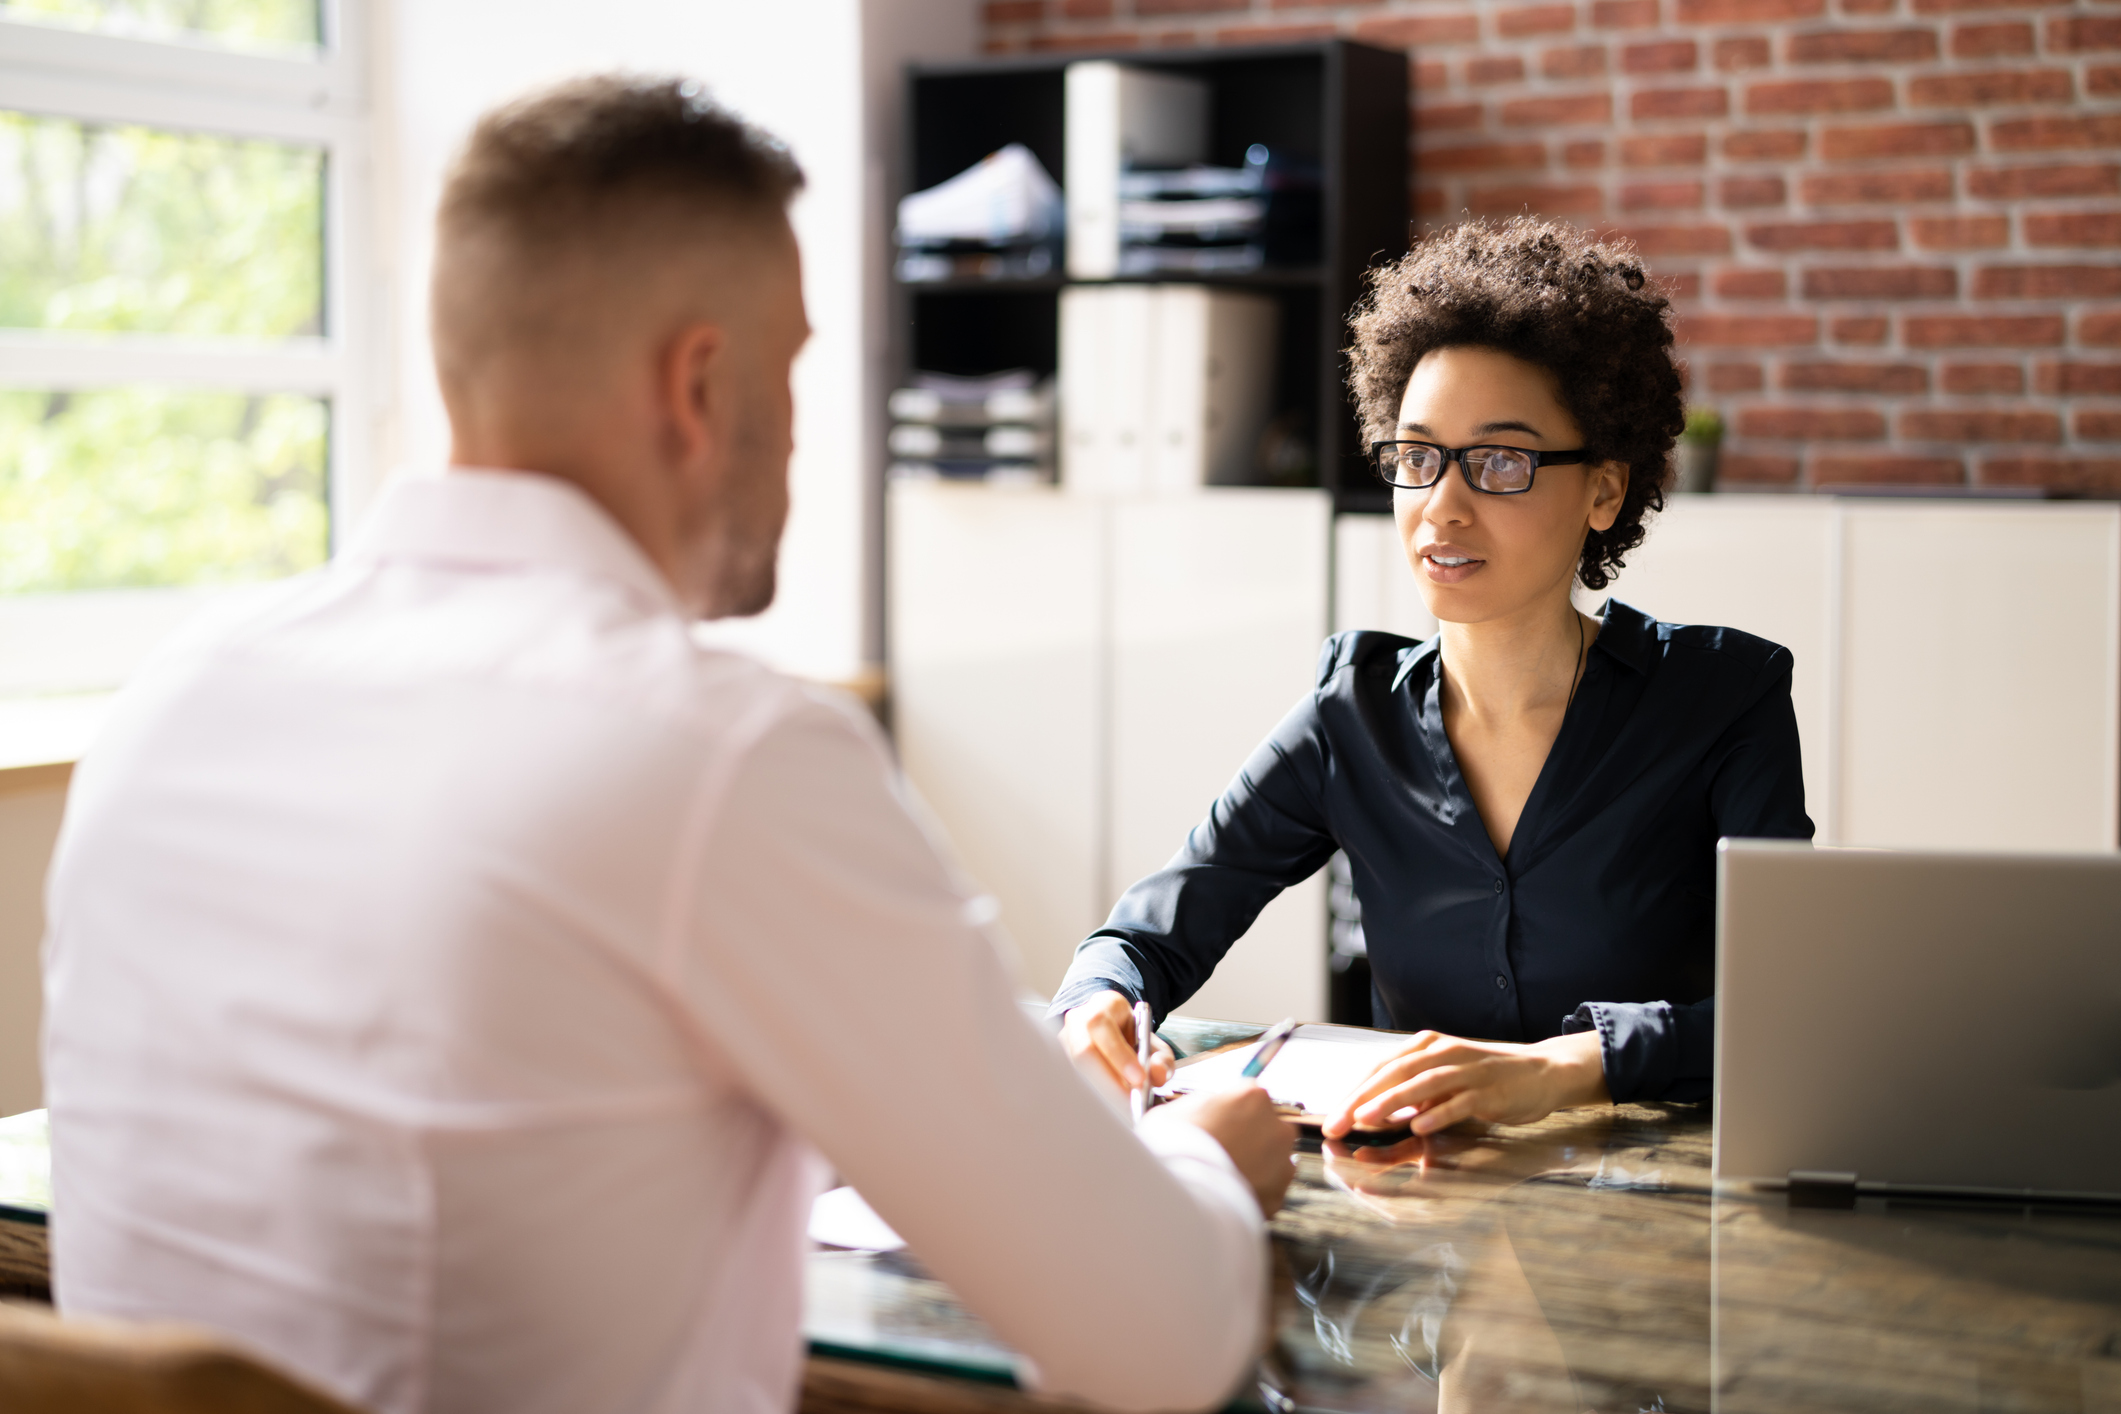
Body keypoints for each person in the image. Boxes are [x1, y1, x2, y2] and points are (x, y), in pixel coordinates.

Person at [41, 76, 1293, 1414]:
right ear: (699, 383)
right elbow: (1163, 1343)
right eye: (797, 364)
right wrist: (1206, 1154)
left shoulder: (174, 699)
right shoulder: (722, 754)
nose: (808, 426)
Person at [1056, 218, 1812, 1136]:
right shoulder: (1351, 716)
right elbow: (1147, 933)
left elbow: (1789, 1013)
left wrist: (1560, 1070)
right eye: (1416, 458)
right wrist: (1096, 1002)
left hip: (1667, 1211)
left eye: (1500, 461)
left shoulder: (1722, 701)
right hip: (1414, 1201)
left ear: (1604, 490)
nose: (1440, 507)